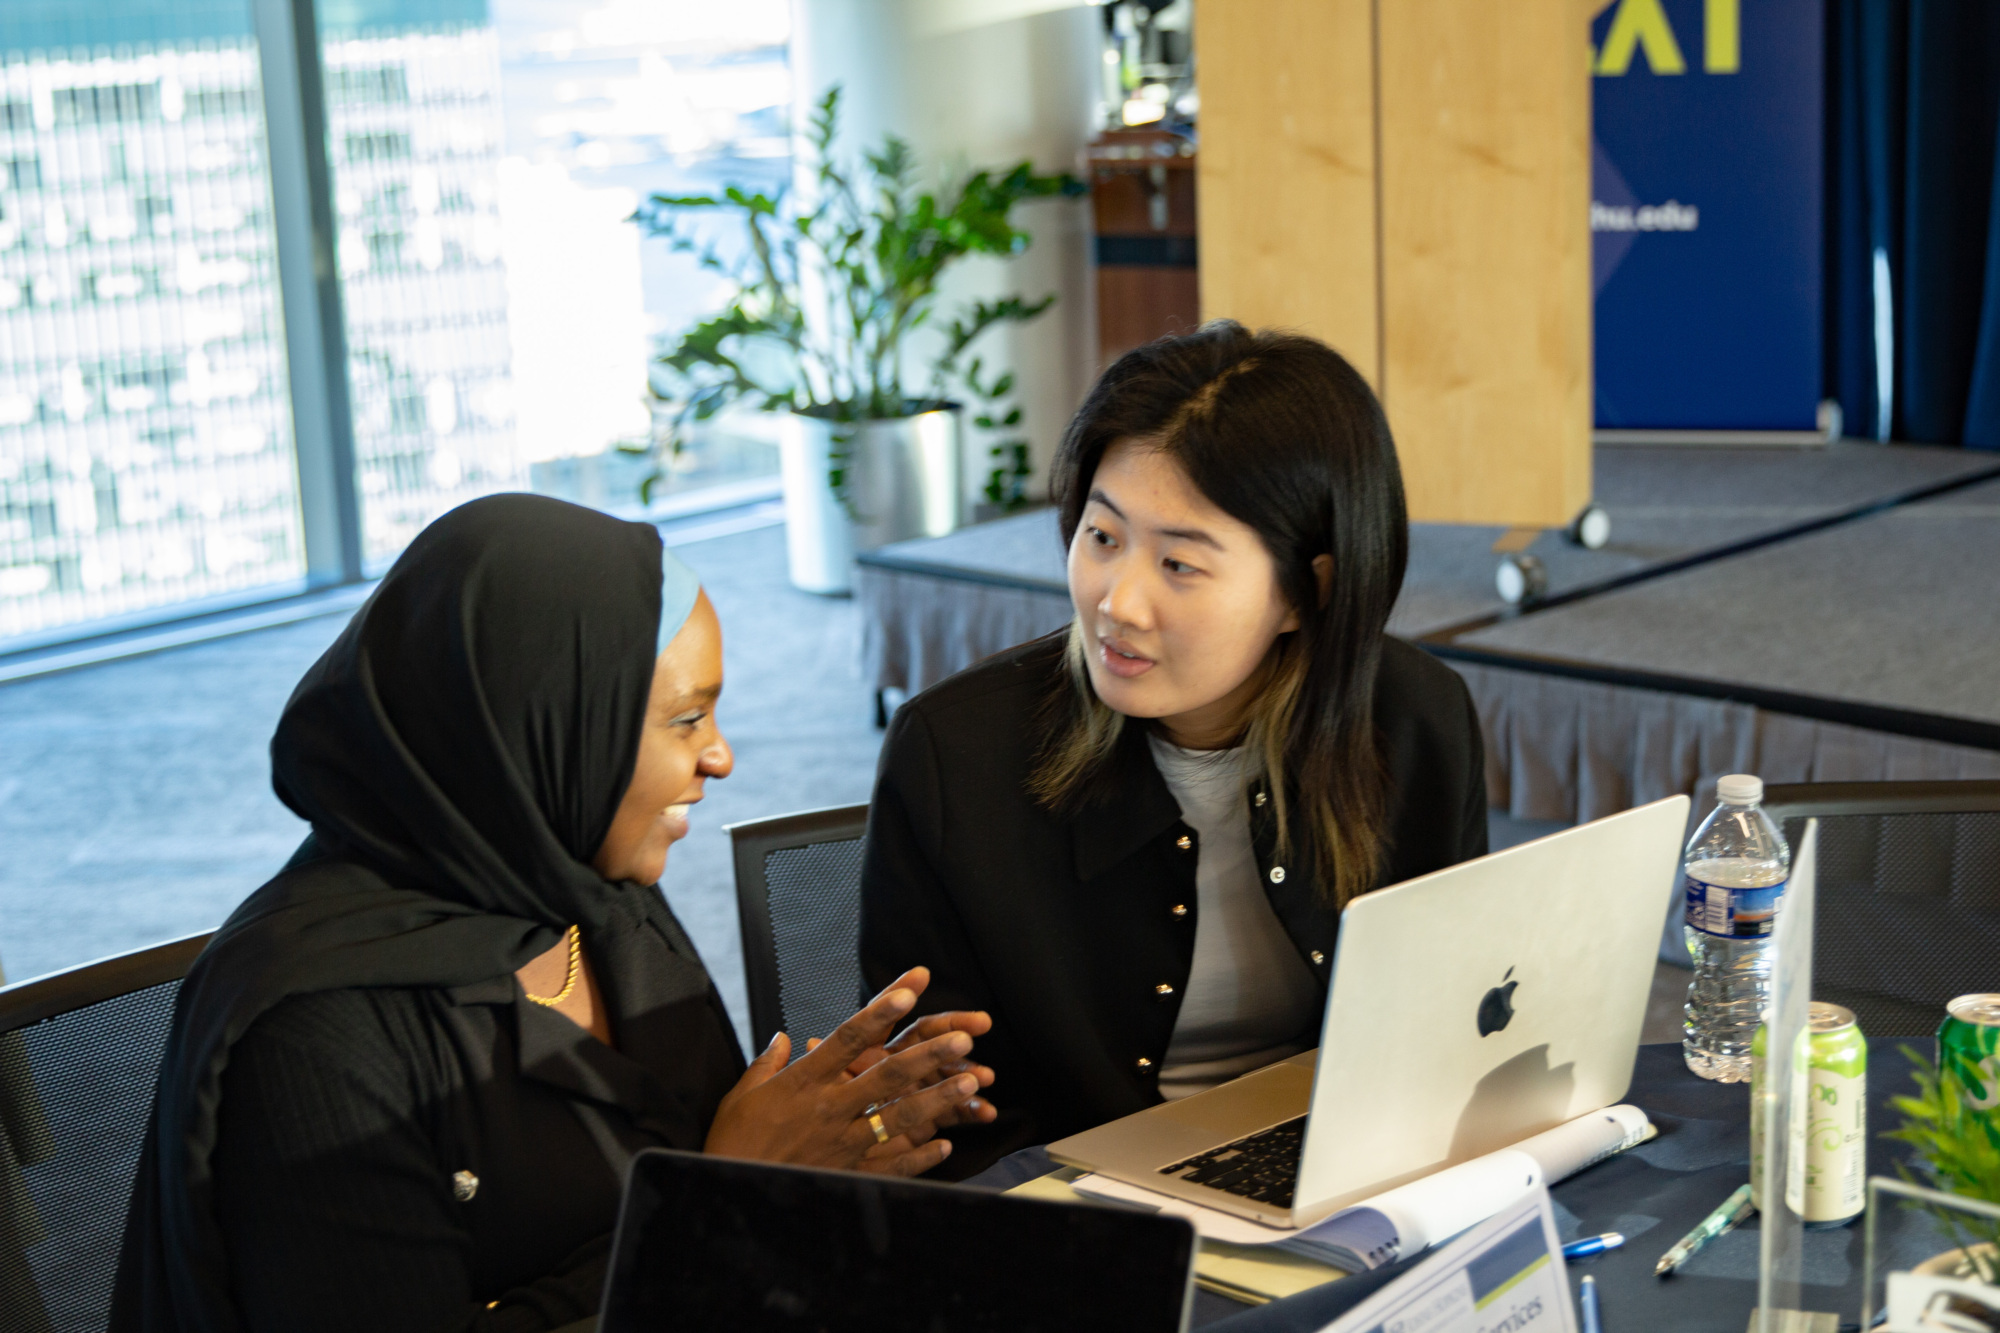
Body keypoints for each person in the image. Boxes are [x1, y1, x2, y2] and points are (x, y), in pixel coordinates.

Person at [112, 495, 995, 1332]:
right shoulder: (316, 1037)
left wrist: (824, 1142)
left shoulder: (594, 896)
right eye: (685, 719)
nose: (720, 756)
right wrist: (726, 1193)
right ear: (540, 726)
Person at [859, 323, 1489, 1179]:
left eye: (1180, 564)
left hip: (1352, 1170)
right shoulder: (955, 756)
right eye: (1103, 536)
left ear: (1311, 591)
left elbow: (1456, 1020)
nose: (1119, 602)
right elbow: (948, 1114)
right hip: (1082, 1217)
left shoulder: (1415, 720)